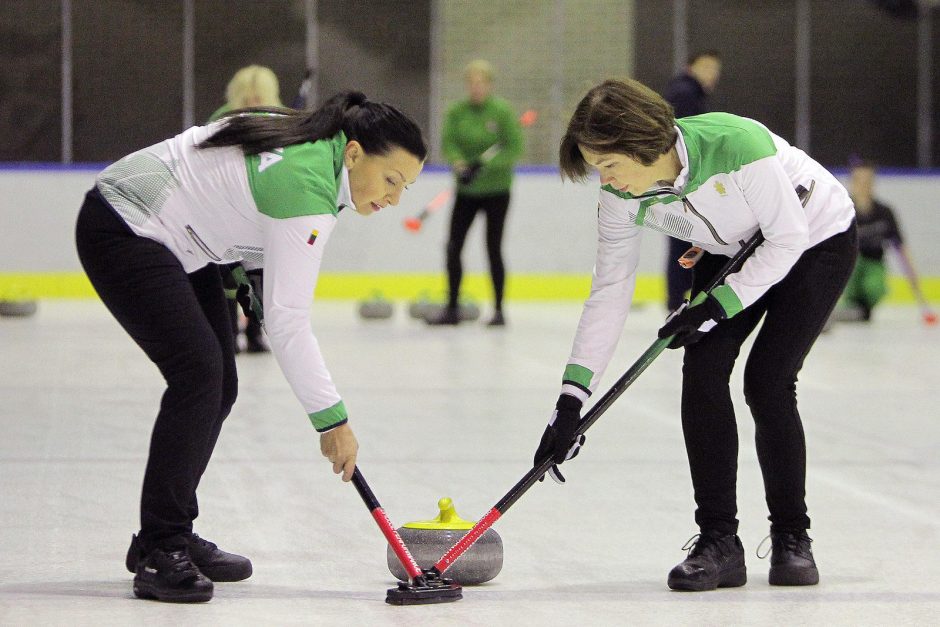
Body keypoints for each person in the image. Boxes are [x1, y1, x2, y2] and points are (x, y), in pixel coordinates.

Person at [75, 92, 426, 603]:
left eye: (406, 188)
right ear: (353, 154)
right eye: (391, 180)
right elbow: (287, 323)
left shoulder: (311, 145)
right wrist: (333, 422)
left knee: (219, 382)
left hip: (179, 241)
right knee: (199, 375)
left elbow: (226, 187)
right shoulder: (307, 186)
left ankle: (165, 534)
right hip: (127, 226)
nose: (394, 198)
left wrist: (245, 268)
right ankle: (160, 550)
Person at [534, 79, 857, 592]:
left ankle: (793, 537)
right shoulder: (622, 194)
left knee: (768, 381)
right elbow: (611, 291)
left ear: (642, 143)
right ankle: (719, 542)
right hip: (736, 249)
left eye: (609, 164)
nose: (606, 179)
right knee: (702, 371)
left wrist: (716, 304)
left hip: (814, 240)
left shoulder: (736, 145)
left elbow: (788, 236)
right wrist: (571, 399)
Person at [428, 59, 523, 326]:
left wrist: (485, 166)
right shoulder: (457, 112)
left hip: (496, 191)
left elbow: (513, 148)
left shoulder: (502, 112)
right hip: (466, 191)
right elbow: (450, 143)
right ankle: (452, 307)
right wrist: (459, 163)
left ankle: (499, 309)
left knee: (493, 248)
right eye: (472, 82)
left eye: (481, 82)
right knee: (453, 246)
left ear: (489, 85)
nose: (476, 88)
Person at [209, 65, 285, 353]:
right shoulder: (223, 120)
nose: (254, 102)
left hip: (262, 208)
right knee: (226, 272)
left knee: (259, 273)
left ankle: (255, 332)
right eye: (248, 97)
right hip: (226, 207)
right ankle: (228, 332)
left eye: (259, 96)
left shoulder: (280, 120)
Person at [662, 51, 722, 312]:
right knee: (684, 240)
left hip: (680, 180)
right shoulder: (685, 94)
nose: (711, 74)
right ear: (690, 67)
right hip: (684, 182)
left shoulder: (686, 92)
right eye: (706, 67)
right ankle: (676, 303)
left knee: (683, 239)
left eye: (715, 69)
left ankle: (676, 302)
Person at [832, 159, 904, 321]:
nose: (863, 186)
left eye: (868, 181)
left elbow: (901, 250)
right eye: (859, 181)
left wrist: (921, 297)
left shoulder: (884, 213)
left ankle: (860, 308)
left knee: (873, 285)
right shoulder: (843, 210)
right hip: (850, 265)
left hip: (874, 266)